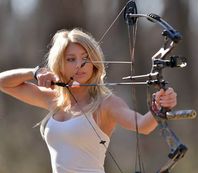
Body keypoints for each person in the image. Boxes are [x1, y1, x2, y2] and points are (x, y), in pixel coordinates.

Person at [0, 28, 177, 173]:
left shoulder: (105, 103)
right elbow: (3, 83)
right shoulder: (54, 99)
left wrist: (161, 106)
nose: (79, 65)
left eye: (85, 59)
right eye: (71, 59)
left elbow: (142, 125)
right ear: (59, 64)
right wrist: (35, 72)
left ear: (94, 63)